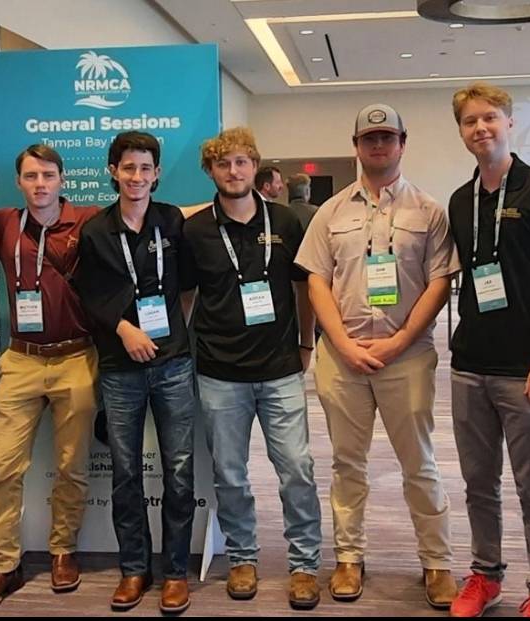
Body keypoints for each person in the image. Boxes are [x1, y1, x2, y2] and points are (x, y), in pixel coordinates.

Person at [296, 103, 460, 610]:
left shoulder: (428, 211)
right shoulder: (331, 211)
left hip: (405, 356)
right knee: (348, 464)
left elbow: (440, 282)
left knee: (420, 464)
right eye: (370, 139)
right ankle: (349, 557)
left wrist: (399, 339)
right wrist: (340, 343)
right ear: (357, 146)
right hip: (341, 359)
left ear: (403, 143)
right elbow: (316, 281)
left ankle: (436, 562)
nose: (379, 146)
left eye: (388, 138)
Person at [445, 82, 530, 618]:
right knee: (479, 483)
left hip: (526, 369)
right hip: (469, 365)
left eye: (491, 118)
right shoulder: (460, 200)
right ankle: (485, 576)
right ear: (461, 131)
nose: (481, 128)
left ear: (509, 122)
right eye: (471, 121)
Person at [180, 127, 322, 610]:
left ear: (254, 167)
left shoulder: (285, 221)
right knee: (230, 473)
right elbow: (185, 296)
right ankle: (242, 556)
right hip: (219, 372)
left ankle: (304, 564)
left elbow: (305, 288)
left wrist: (307, 343)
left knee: (296, 469)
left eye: (242, 162)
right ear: (211, 172)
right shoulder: (195, 230)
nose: (234, 171)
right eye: (224, 164)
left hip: (281, 366)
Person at [0, 145, 102, 615]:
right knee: (2, 468)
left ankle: (63, 550)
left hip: (75, 358)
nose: (40, 184)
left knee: (72, 466)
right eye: (30, 176)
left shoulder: (87, 220)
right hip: (21, 360)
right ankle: (4, 563)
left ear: (63, 179)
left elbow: (152, 211)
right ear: (19, 182)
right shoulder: (2, 223)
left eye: (47, 175)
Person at [75, 131, 198, 614]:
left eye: (146, 168)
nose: (137, 177)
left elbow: (186, 286)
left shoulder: (170, 221)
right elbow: (90, 294)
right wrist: (127, 329)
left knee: (181, 471)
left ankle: (175, 572)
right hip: (120, 366)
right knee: (126, 473)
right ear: (112, 171)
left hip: (172, 363)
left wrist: (173, 336)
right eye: (128, 168)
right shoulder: (95, 231)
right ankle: (133, 569)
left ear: (157, 173)